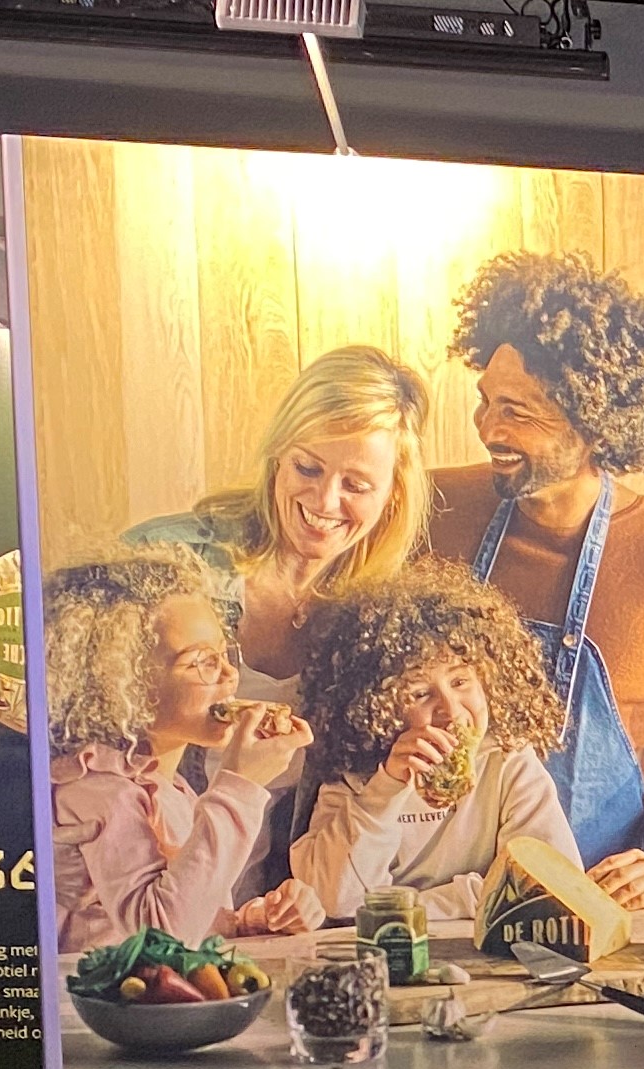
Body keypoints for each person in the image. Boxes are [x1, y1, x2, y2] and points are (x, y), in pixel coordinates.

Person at [420, 252, 644, 927]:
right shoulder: (429, 512)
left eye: (518, 412)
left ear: (593, 422)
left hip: (597, 910)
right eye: (487, 401)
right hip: (438, 903)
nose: (490, 429)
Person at [40, 547, 316, 957]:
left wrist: (247, 921)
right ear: (121, 683)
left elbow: (190, 912)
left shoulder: (172, 788)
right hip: (99, 997)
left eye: (224, 653)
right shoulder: (98, 791)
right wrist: (240, 785)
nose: (230, 675)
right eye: (201, 661)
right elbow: (162, 936)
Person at [282, 559, 585, 929]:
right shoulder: (353, 774)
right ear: (376, 705)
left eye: (460, 682)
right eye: (420, 693)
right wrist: (385, 789)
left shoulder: (508, 760)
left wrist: (407, 908)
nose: (450, 710)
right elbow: (335, 899)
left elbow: (552, 887)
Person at [126, 343, 433, 693]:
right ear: (278, 455)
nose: (325, 500)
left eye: (356, 486)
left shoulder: (391, 618)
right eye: (307, 468)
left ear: (394, 493)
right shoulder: (157, 561)